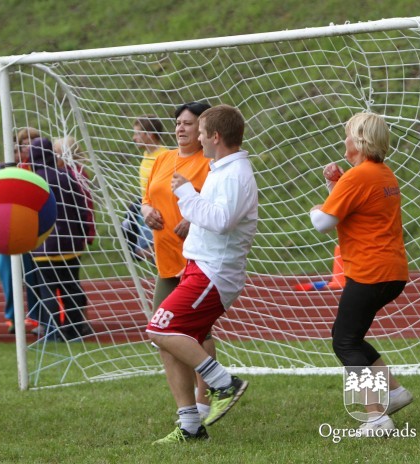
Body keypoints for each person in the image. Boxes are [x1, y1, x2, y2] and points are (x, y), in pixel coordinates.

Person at [148, 104, 258, 444]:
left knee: (159, 328)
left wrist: (186, 194)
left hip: (214, 273)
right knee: (170, 343)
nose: (196, 137)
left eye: (200, 132)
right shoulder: (221, 169)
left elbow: (222, 221)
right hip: (200, 268)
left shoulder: (235, 174)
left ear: (216, 137)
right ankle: (191, 426)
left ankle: (224, 383)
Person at [309, 112, 411, 435]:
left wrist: (315, 209)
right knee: (351, 336)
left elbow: (324, 223)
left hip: (370, 272)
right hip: (392, 271)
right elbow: (357, 208)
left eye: (348, 134)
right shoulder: (383, 174)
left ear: (360, 140)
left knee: (344, 341)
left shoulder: (358, 176)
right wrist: (335, 187)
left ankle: (376, 417)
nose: (344, 140)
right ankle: (395, 392)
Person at [141, 102, 215, 418]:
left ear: (203, 130)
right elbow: (146, 198)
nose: (181, 128)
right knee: (163, 334)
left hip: (195, 260)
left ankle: (205, 399)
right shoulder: (162, 159)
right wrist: (147, 212)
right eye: (178, 123)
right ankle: (187, 410)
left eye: (188, 123)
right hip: (166, 259)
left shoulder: (210, 163)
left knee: (198, 332)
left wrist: (193, 219)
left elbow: (217, 208)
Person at [28, 137, 93, 340]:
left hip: (42, 245)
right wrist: (83, 233)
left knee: (47, 290)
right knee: (71, 287)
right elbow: (80, 206)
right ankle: (74, 330)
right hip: (69, 243)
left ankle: (53, 332)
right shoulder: (66, 176)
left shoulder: (30, 181)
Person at [0, 128, 41, 335]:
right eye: (24, 143)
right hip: (7, 230)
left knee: (34, 277)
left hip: (33, 230)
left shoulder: (40, 168)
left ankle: (35, 316)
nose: (28, 147)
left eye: (33, 141)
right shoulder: (3, 169)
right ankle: (12, 317)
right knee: (9, 276)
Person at [122, 115, 168, 261]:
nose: (134, 138)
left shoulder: (164, 156)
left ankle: (170, 247)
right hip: (147, 209)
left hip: (160, 213)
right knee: (135, 249)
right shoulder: (146, 155)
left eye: (137, 133)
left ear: (150, 135)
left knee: (141, 251)